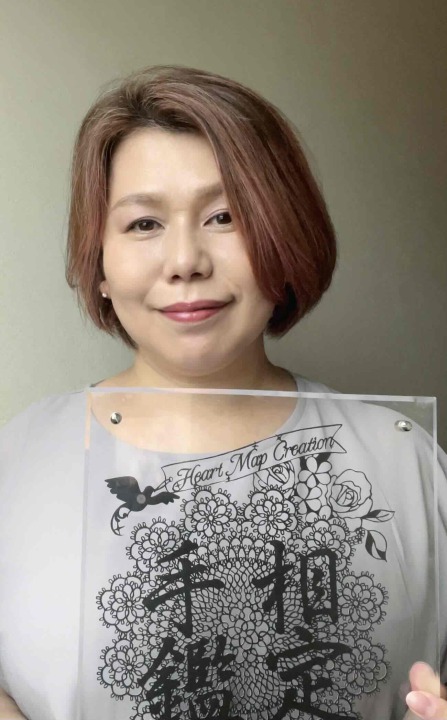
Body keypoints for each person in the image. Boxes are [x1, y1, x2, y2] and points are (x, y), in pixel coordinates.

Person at [0, 64, 446, 720]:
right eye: (143, 224)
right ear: (99, 265)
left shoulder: (404, 461)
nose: (185, 260)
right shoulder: (19, 462)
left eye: (224, 216)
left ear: (283, 238)